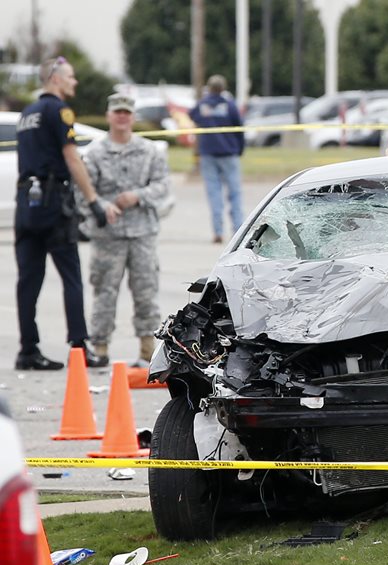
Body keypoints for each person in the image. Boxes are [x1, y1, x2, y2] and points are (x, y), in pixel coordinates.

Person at [13, 55, 118, 371]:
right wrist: (94, 201)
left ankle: (28, 350)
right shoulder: (59, 110)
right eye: (70, 77)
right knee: (71, 276)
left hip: (25, 206)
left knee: (28, 281)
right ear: (55, 79)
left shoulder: (27, 114)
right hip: (53, 203)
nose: (75, 82)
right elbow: (72, 159)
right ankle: (78, 347)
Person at [79, 93, 172, 367]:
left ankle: (147, 350)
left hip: (142, 232)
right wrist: (103, 206)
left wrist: (137, 196)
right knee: (104, 292)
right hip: (108, 234)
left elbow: (163, 185)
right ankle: (100, 347)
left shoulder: (148, 150)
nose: (122, 117)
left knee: (146, 291)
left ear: (133, 117)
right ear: (109, 115)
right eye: (117, 112)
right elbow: (83, 191)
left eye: (127, 113)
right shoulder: (95, 153)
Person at [189, 75, 244, 244]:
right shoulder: (229, 105)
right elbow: (239, 127)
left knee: (214, 193)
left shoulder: (203, 105)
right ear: (223, 88)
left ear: (209, 88)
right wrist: (240, 149)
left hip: (208, 154)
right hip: (228, 153)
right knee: (234, 193)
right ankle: (238, 230)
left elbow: (192, 114)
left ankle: (218, 231)